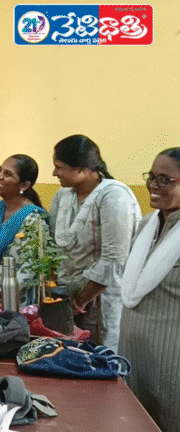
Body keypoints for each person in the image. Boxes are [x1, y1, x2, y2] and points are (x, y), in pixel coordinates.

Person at [49, 134, 140, 349]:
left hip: (101, 302)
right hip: (66, 301)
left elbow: (114, 259)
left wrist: (80, 302)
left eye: (59, 167)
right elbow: (54, 247)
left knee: (100, 361)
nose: (54, 173)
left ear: (82, 168)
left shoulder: (114, 197)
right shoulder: (62, 197)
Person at [119, 148, 180, 432]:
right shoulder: (147, 224)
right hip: (134, 351)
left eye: (165, 179)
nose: (154, 186)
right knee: (132, 420)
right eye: (152, 177)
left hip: (171, 359)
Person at [0, 155, 46, 306]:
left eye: (8, 174)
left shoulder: (33, 218)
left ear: (24, 185)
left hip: (15, 299)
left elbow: (29, 271)